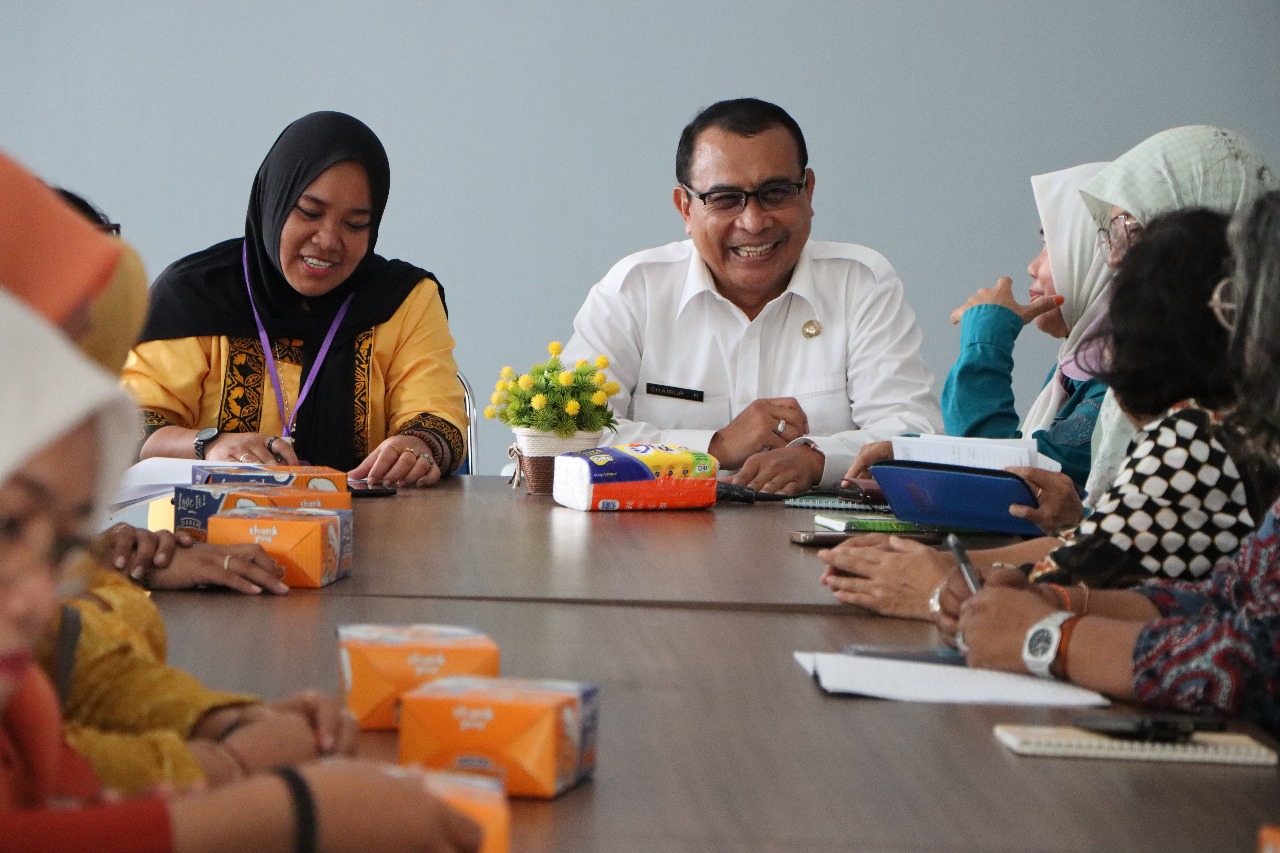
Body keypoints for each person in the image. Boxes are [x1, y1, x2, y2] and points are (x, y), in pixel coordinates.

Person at [0, 290, 482, 851]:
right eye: (10, 527)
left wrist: (224, 720)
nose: (38, 599)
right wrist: (267, 798)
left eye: (68, 542)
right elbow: (45, 801)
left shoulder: (400, 297)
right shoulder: (196, 295)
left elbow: (67, 661)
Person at [935, 190, 1280, 737]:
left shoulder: (1197, 434)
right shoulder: (1082, 377)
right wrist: (1058, 601)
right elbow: (1227, 598)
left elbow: (1260, 660)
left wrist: (1047, 637)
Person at [821, 209, 1253, 615]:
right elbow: (1093, 543)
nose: (1112, 262)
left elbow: (1064, 558)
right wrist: (935, 562)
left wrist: (941, 589)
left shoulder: (1193, 436)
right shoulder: (1179, 418)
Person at [561, 98, 941, 494]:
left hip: (816, 532)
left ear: (808, 193)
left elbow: (913, 432)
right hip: (658, 531)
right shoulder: (635, 289)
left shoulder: (859, 282)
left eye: (776, 192)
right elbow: (562, 434)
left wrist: (817, 459)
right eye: (725, 199)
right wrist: (714, 447)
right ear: (685, 208)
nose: (754, 222)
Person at [123, 111, 467, 486]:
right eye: (309, 212)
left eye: (355, 224)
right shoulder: (193, 297)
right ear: (275, 200)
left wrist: (416, 445)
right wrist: (210, 445)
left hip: (371, 520)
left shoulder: (402, 301)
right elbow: (127, 426)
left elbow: (438, 417)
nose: (328, 240)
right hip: (207, 522)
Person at [848, 163, 1113, 492]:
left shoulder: (1122, 386)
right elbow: (1015, 459)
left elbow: (1007, 483)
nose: (1032, 266)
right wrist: (912, 455)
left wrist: (986, 340)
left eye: (1051, 245)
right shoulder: (1076, 369)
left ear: (1101, 257)